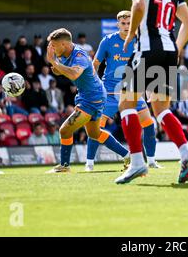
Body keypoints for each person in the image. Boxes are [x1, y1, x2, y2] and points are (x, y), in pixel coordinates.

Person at [116, 0, 188, 184]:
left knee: (126, 104)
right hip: (170, 50)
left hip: (147, 49)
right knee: (161, 108)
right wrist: (178, 47)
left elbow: (139, 4)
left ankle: (138, 163)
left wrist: (130, 35)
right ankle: (186, 152)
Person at [45, 28, 130, 173]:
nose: (51, 48)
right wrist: (57, 67)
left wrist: (54, 61)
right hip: (93, 95)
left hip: (92, 98)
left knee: (65, 130)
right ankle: (128, 156)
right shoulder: (65, 53)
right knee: (95, 134)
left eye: (53, 45)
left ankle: (64, 166)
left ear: (64, 44)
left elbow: (74, 74)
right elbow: (63, 70)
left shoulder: (79, 55)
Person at [89, 10, 160, 171]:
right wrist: (95, 86)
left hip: (132, 90)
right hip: (110, 92)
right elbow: (95, 64)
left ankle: (152, 161)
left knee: (149, 124)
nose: (127, 26)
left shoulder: (141, 40)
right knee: (95, 127)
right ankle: (89, 163)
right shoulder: (108, 41)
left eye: (129, 23)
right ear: (117, 24)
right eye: (123, 23)